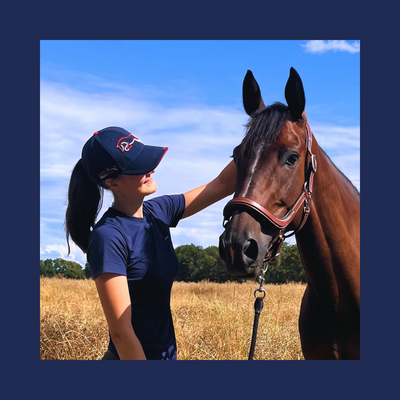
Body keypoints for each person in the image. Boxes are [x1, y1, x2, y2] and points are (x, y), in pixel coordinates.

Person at [65, 126, 236, 360]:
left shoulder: (159, 211)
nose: (151, 169)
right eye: (138, 166)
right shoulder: (109, 237)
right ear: (112, 182)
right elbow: (121, 333)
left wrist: (266, 137)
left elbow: (222, 185)